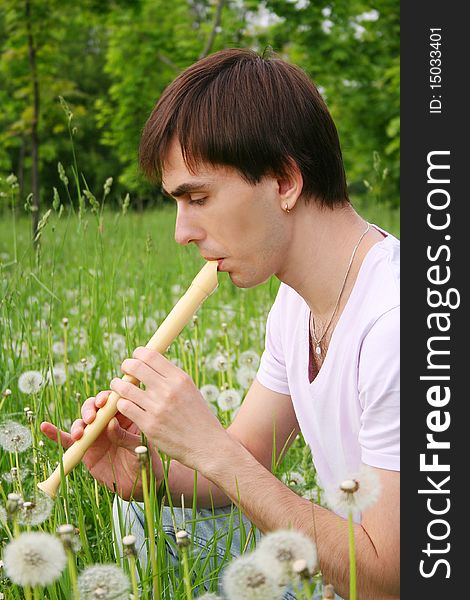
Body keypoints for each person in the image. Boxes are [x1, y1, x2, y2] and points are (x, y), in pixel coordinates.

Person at [41, 48, 399, 599]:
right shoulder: (295, 305)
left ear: (284, 181)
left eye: (198, 197)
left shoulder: (397, 323)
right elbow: (248, 457)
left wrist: (213, 448)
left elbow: (393, 578)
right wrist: (151, 469)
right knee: (145, 521)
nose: (182, 232)